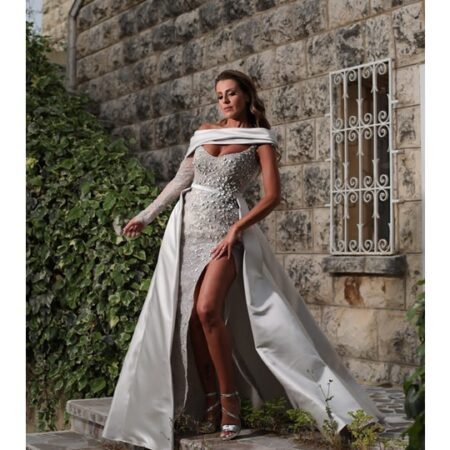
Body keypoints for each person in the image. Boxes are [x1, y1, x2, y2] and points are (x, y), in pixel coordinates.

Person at [101, 70, 383, 450]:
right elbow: (181, 181)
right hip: (187, 233)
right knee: (190, 321)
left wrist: (236, 229)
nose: (225, 101)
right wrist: (146, 216)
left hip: (225, 237)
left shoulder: (260, 139)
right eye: (220, 95)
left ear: (247, 96)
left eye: (231, 93)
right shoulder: (204, 133)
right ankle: (211, 401)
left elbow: (272, 196)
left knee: (207, 310)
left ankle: (230, 400)